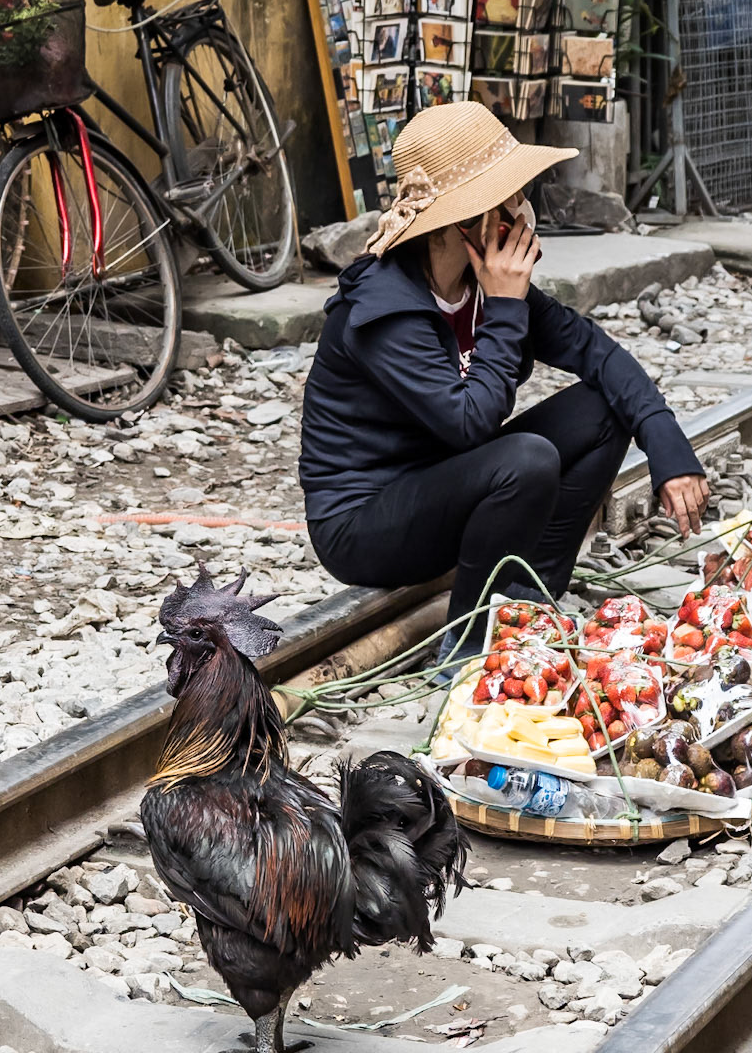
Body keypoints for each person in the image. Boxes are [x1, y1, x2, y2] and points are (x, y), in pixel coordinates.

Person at [298, 101, 709, 654]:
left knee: (604, 408)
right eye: (511, 199)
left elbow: (599, 354)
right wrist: (508, 309)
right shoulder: (384, 312)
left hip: (444, 482)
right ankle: (468, 647)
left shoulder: (477, 285)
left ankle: (526, 606)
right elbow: (470, 426)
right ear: (469, 222)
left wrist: (670, 451)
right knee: (526, 459)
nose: (523, 210)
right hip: (365, 524)